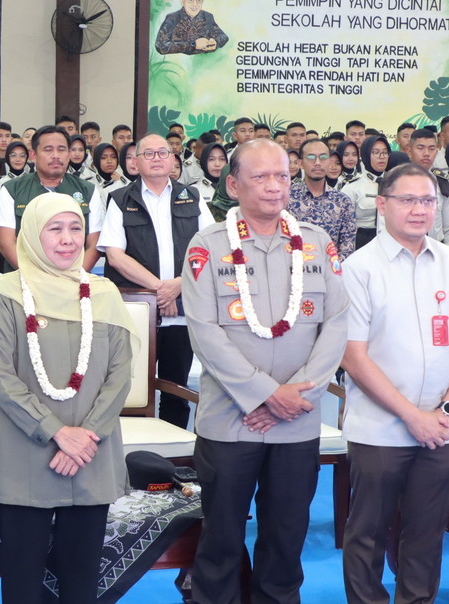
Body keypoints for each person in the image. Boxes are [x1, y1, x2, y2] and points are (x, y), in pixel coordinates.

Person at [181, 140, 348, 603]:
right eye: (261, 177)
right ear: (233, 184)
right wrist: (263, 395)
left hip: (298, 419)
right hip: (232, 421)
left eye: (282, 176)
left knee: (285, 540)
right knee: (220, 541)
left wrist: (297, 396)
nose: (275, 186)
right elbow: (205, 331)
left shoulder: (317, 241)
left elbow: (336, 323)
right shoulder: (207, 246)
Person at [339, 163, 449, 604]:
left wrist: (445, 413)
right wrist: (412, 417)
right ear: (382, 205)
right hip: (380, 428)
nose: (419, 210)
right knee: (367, 532)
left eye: (427, 200)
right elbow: (353, 356)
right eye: (407, 200)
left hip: (445, 429)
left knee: (426, 532)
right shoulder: (358, 268)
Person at [0, 192, 136, 604]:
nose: (68, 239)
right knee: (22, 580)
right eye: (55, 228)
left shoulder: (103, 293)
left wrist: (85, 436)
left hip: (91, 453)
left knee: (83, 580)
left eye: (75, 229)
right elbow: (1, 377)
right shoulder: (6, 294)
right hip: (25, 455)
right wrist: (56, 432)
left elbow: (120, 375)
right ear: (32, 234)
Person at [98, 134, 212, 429]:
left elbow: (210, 250)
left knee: (176, 393)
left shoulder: (193, 197)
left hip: (182, 314)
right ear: (135, 162)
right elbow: (115, 255)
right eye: (149, 154)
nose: (158, 158)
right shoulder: (120, 199)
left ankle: (172, 464)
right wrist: (161, 291)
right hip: (136, 313)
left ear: (174, 159)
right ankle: (133, 463)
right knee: (131, 392)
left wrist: (178, 285)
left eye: (163, 152)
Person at [0, 126, 106, 270]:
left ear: (69, 154)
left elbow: (94, 244)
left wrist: (73, 278)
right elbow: (6, 243)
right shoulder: (12, 190)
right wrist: (36, 278)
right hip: (25, 279)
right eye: (48, 150)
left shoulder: (88, 190)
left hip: (73, 280)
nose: (55, 155)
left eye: (61, 149)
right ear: (33, 155)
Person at [290, 138, 357, 258]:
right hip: (294, 270)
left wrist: (332, 268)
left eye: (323, 157)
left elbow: (347, 245)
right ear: (300, 163)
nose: (317, 163)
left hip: (331, 270)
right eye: (311, 158)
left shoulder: (342, 201)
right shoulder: (286, 198)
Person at [342, 135, 391, 248]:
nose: (381, 157)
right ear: (365, 155)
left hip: (389, 240)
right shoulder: (353, 187)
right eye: (376, 152)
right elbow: (344, 225)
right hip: (361, 242)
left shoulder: (395, 184)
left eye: (384, 152)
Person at [154, 0, 229, 55]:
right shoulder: (172, 18)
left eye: (199, 1)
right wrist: (193, 45)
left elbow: (223, 36)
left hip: (203, 65)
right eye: (190, 0)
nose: (195, 5)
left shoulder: (208, 17)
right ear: (183, 2)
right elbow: (160, 46)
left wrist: (216, 42)